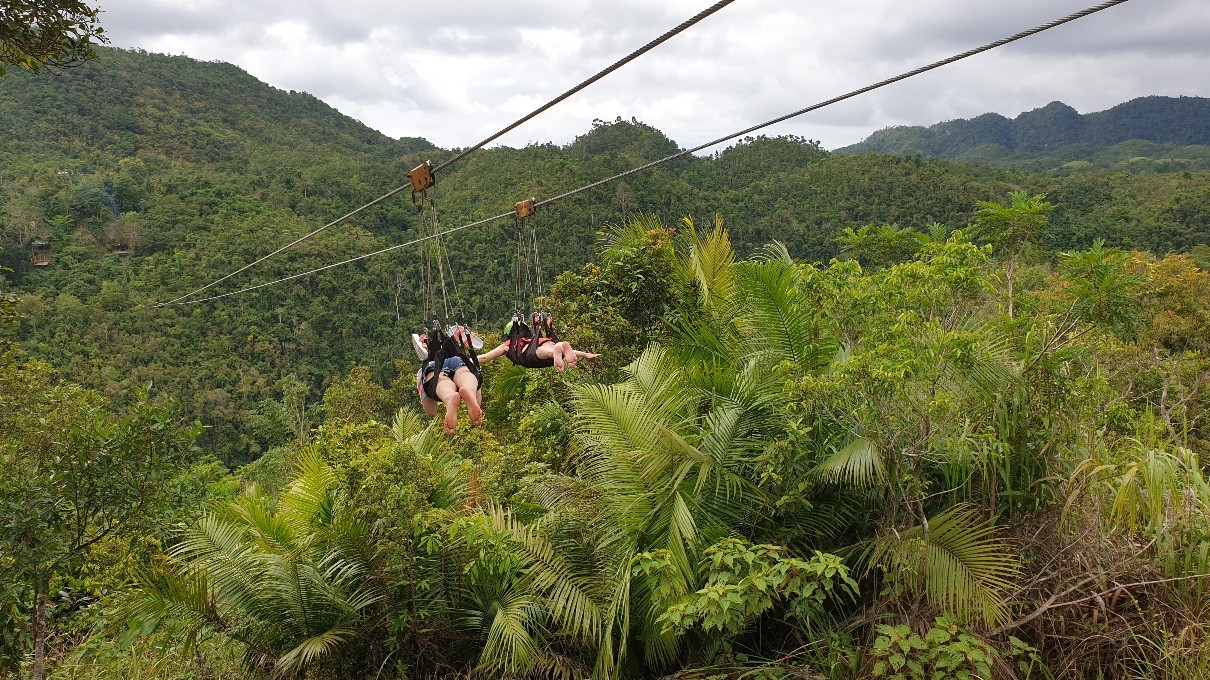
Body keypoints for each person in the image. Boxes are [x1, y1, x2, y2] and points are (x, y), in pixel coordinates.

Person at [414, 332, 484, 435]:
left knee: (440, 381)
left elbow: (431, 412)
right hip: (458, 361)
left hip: (433, 366)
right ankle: (469, 390)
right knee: (465, 375)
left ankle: (450, 398)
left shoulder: (422, 371)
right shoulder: (461, 358)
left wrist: (419, 382)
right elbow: (478, 401)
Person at [477, 319, 600, 371]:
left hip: (531, 357)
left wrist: (467, 360)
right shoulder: (532, 339)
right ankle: (559, 347)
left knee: (543, 352)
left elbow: (484, 358)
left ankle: (557, 350)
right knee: (551, 349)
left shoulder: (507, 346)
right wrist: (585, 354)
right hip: (546, 345)